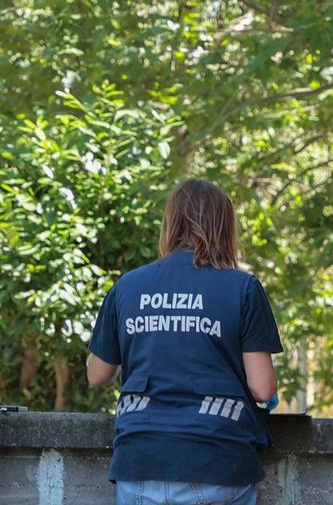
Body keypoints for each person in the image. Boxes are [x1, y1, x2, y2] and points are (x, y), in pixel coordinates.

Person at [87, 179, 283, 505]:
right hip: (217, 460)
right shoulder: (242, 288)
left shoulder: (128, 286)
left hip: (140, 460)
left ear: (170, 223)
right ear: (224, 227)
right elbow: (263, 388)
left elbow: (97, 374)